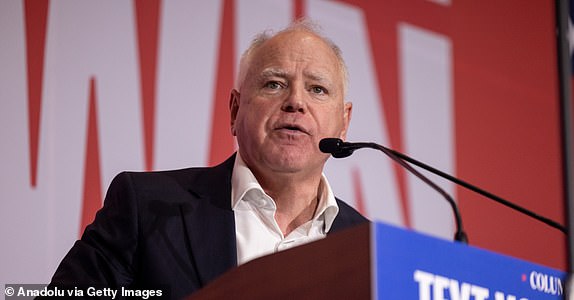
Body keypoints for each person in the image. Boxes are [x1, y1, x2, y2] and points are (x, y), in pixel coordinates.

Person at [45, 19, 368, 299]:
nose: (295, 101)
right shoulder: (147, 206)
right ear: (234, 110)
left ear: (343, 121)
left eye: (318, 89)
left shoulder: (370, 250)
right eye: (274, 84)